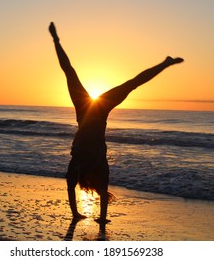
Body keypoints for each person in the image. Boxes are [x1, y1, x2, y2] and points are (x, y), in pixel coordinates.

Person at [49, 22, 183, 224]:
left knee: (72, 71)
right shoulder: (100, 166)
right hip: (99, 108)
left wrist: (76, 214)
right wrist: (100, 218)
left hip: (85, 108)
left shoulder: (78, 167)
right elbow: (101, 193)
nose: (98, 184)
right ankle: (165, 63)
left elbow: (70, 186)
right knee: (129, 84)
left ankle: (56, 40)